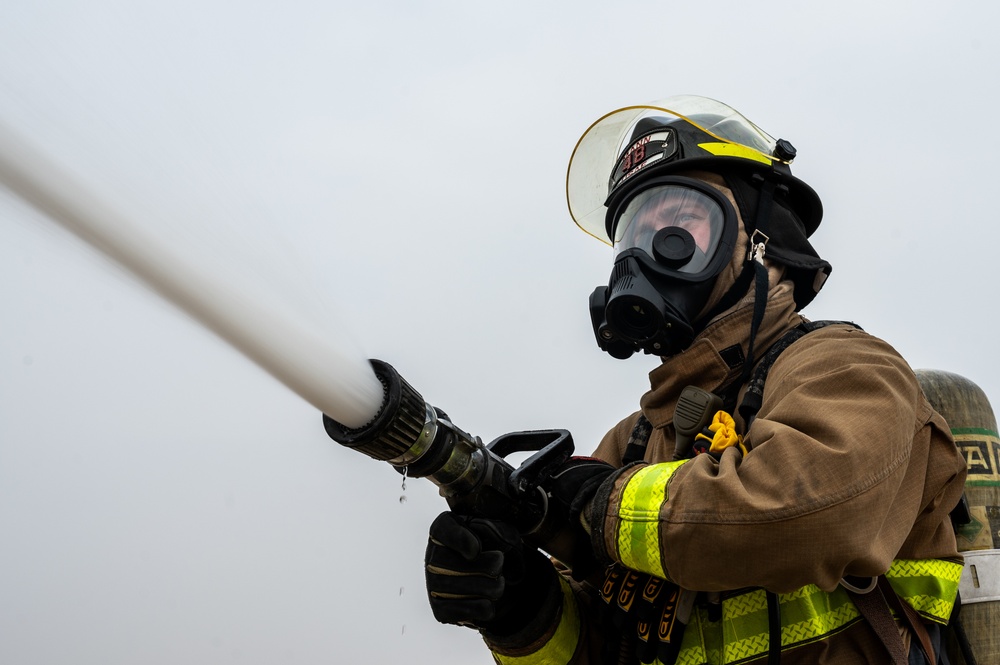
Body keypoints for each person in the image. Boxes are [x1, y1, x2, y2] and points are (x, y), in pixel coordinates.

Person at [423, 95, 968, 664]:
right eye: (636, 232)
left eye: (681, 220)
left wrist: (604, 503)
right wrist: (523, 612)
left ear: (761, 239)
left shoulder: (847, 370)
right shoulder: (632, 443)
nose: (646, 254)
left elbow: (801, 513)